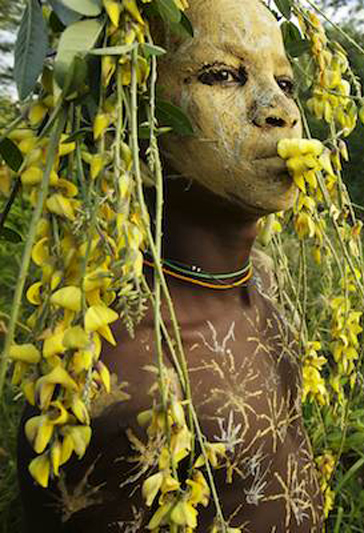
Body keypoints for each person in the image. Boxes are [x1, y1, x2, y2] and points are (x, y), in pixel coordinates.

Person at [16, 0, 325, 530]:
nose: (280, 109)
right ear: (130, 118)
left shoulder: (267, 280)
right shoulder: (111, 378)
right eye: (222, 75)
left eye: (286, 82)